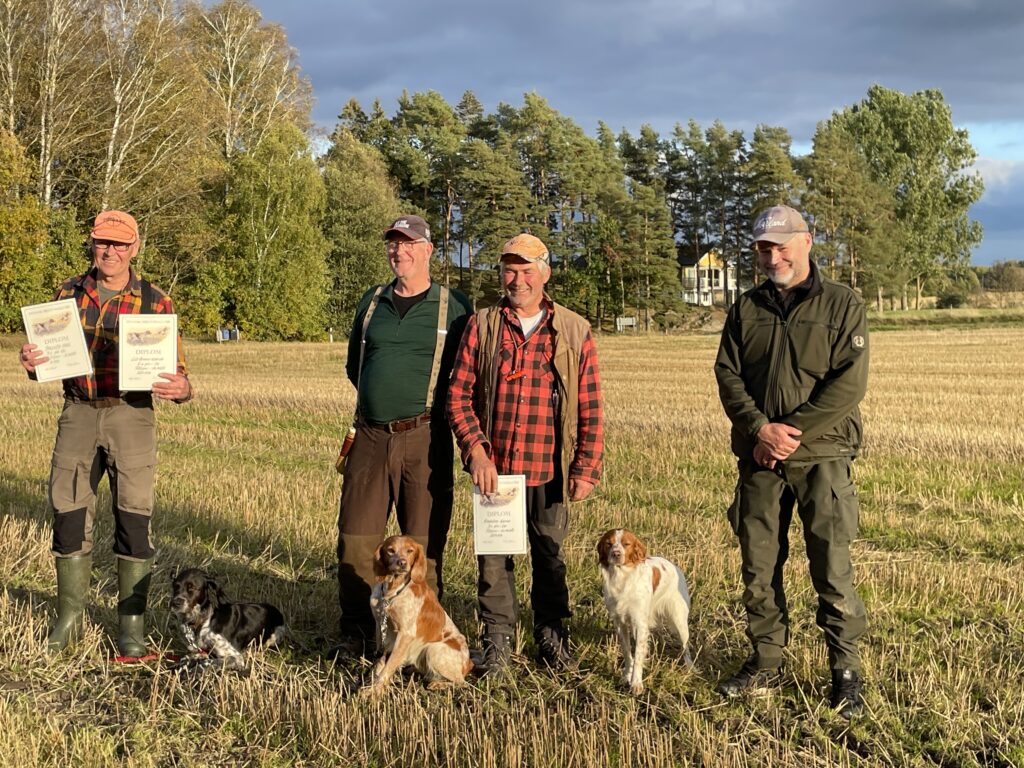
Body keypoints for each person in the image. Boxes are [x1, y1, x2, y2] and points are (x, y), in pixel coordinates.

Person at [714, 205, 869, 718]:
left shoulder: (843, 304)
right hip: (759, 458)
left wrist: (789, 435)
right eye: (763, 247)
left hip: (821, 458)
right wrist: (760, 430)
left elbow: (847, 385)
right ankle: (765, 661)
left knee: (831, 566)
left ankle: (845, 674)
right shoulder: (746, 309)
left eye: (781, 244)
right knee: (759, 566)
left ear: (808, 241)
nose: (772, 255)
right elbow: (728, 376)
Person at [19, 209, 192, 658]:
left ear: (134, 248)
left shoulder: (157, 302)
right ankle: (70, 619)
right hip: (77, 411)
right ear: (92, 245)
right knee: (68, 511)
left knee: (134, 518)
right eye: (102, 242)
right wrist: (34, 364)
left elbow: (179, 374)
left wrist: (183, 388)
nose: (109, 251)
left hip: (131, 415)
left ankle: (130, 632)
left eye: (119, 244)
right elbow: (47, 361)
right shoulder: (67, 294)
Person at [447, 233, 603, 673]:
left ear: (545, 273)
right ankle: (497, 643)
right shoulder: (482, 325)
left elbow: (590, 405)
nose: (516, 280)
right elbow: (458, 397)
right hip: (496, 472)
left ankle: (552, 638)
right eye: (509, 270)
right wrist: (476, 452)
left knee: (550, 559)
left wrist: (586, 466)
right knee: (493, 565)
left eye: (526, 270)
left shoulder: (573, 330)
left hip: (550, 469)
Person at [332, 214, 472, 657]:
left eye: (409, 244)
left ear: (428, 250)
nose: (400, 252)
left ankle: (421, 637)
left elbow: (469, 374)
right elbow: (357, 367)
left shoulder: (456, 306)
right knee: (356, 539)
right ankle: (356, 631)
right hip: (370, 437)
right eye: (393, 244)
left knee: (423, 543)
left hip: (425, 437)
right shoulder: (370, 302)